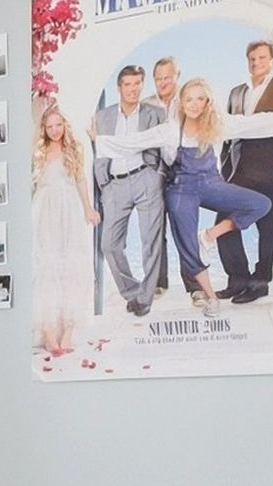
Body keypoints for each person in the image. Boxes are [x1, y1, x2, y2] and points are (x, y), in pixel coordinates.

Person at [162, 80, 272, 315]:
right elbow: (140, 143)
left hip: (211, 182)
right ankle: (210, 297)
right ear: (181, 103)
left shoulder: (218, 125)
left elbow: (258, 123)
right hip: (181, 187)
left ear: (208, 102)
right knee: (187, 245)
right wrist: (99, 140)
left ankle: (209, 236)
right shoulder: (171, 129)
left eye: (200, 98)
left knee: (261, 204)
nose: (194, 104)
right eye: (189, 99)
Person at [216, 38, 273, 300]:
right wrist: (224, 163)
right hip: (237, 169)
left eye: (262, 58)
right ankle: (238, 278)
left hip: (267, 166)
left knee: (267, 228)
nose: (256, 63)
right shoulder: (237, 92)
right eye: (252, 58)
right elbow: (228, 132)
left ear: (272, 60)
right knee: (223, 223)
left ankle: (260, 282)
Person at [88, 63, 175, 316]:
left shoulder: (155, 113)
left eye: (137, 84)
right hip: (114, 185)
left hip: (146, 178)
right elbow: (96, 151)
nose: (133, 89)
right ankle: (132, 291)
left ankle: (145, 300)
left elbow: (166, 146)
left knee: (151, 243)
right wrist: (104, 185)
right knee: (109, 245)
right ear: (119, 87)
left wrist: (158, 175)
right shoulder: (102, 116)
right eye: (128, 84)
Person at [25, 98, 96, 358]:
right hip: (45, 208)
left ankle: (69, 329)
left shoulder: (74, 148)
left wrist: (88, 208)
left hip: (69, 207)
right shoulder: (38, 149)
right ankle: (48, 329)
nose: (55, 130)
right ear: (43, 129)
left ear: (65, 125)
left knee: (71, 266)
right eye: (49, 126)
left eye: (58, 125)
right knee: (47, 266)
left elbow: (81, 179)